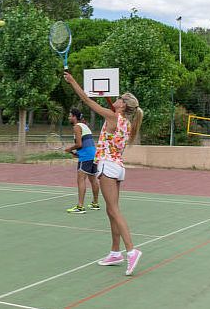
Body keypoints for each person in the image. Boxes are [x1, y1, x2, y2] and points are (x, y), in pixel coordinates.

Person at [64, 71, 144, 276]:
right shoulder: (126, 122)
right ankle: (115, 252)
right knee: (110, 210)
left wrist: (73, 81)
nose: (116, 100)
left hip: (108, 166)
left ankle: (131, 251)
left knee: (115, 211)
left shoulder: (113, 116)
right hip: (118, 167)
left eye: (119, 99)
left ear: (123, 105)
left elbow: (87, 100)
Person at [64, 108, 100, 214]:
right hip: (93, 155)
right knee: (93, 179)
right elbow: (85, 143)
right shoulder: (85, 126)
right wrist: (76, 153)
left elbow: (79, 144)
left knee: (81, 180)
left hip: (86, 157)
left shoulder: (76, 127)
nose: (69, 117)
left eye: (70, 116)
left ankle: (80, 207)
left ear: (75, 117)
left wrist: (70, 149)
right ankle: (95, 203)